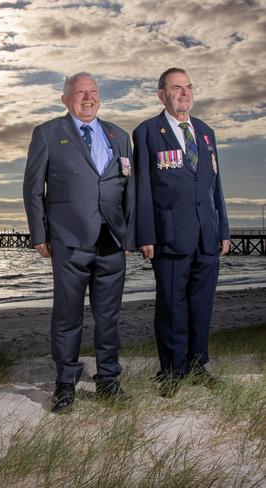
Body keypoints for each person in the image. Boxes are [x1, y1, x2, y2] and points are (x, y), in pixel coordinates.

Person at [23, 72, 135, 413]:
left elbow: (129, 187)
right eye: (80, 92)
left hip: (112, 240)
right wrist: (40, 234)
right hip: (69, 240)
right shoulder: (48, 133)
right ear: (65, 99)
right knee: (68, 315)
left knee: (109, 316)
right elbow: (33, 189)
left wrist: (130, 233)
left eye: (93, 92)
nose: (88, 97)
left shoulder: (119, 135)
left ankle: (108, 380)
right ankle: (65, 384)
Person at [133, 67, 230, 397]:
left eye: (188, 87)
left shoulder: (205, 132)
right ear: (162, 95)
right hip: (169, 236)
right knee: (172, 306)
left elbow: (215, 186)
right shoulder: (147, 132)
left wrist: (224, 230)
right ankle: (172, 370)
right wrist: (145, 235)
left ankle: (198, 364)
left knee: (201, 304)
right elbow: (142, 189)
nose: (185, 93)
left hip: (207, 234)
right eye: (177, 88)